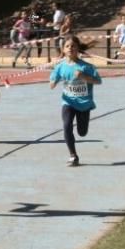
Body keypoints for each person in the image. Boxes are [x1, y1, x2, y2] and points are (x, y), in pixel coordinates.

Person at [50, 36, 102, 167]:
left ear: (78, 48)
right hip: (68, 102)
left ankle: (82, 128)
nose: (70, 48)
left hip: (84, 104)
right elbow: (51, 84)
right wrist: (55, 80)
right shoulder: (60, 66)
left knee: (82, 132)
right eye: (67, 46)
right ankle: (73, 155)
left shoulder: (87, 66)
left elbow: (98, 81)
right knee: (67, 125)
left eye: (73, 46)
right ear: (63, 49)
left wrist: (84, 77)